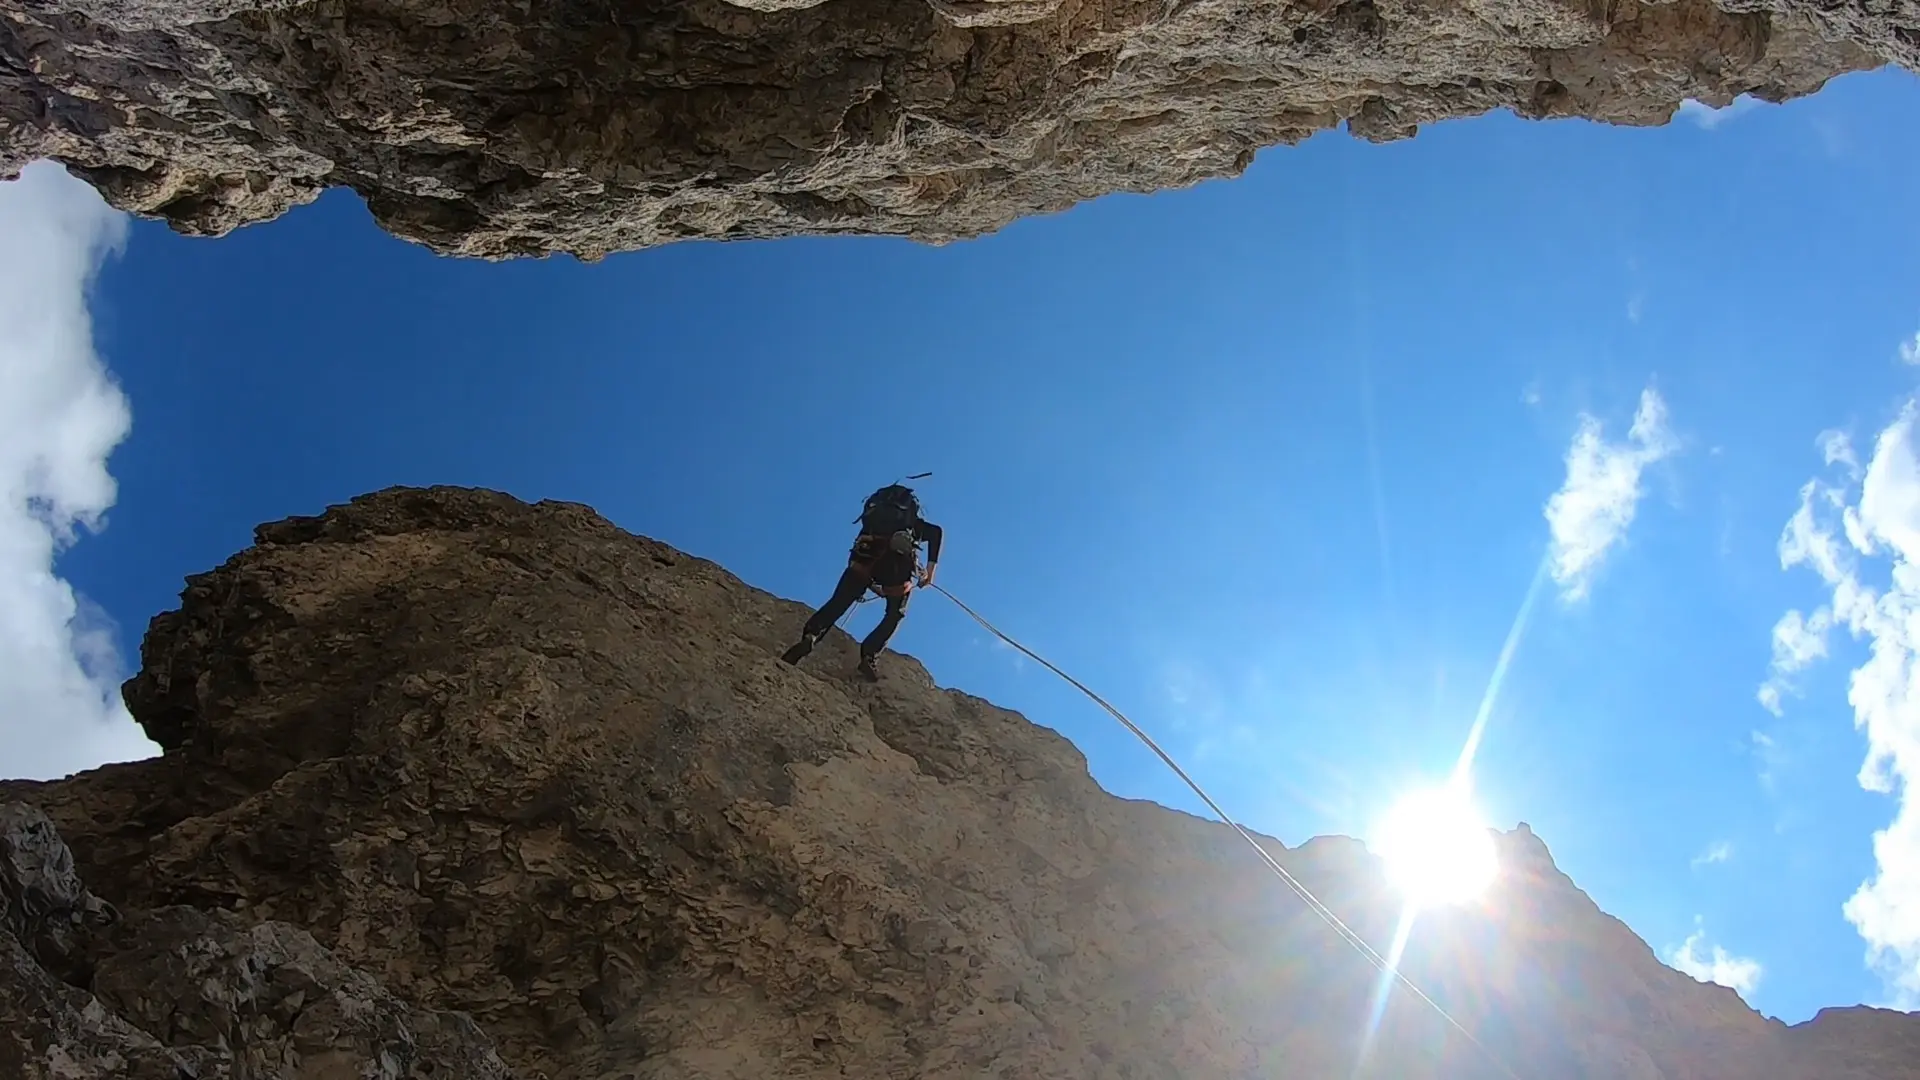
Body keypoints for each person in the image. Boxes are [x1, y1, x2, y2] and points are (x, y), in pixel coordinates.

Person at [782, 483, 943, 680]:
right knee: (895, 613)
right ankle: (869, 655)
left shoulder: (873, 521)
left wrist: (868, 582)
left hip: (864, 560)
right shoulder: (910, 524)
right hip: (895, 569)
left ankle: (812, 635)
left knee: (839, 602)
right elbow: (936, 532)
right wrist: (930, 573)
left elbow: (857, 551)